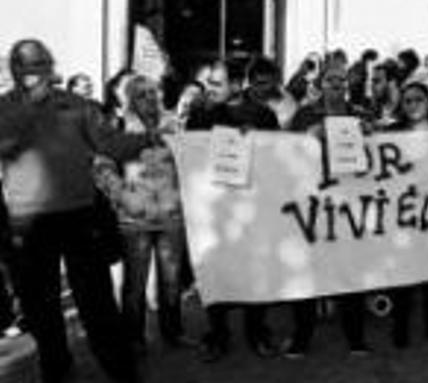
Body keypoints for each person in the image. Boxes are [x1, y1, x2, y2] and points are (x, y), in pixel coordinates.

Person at [0, 39, 153, 383]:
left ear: (51, 67)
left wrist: (151, 139)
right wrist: (30, 107)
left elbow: (110, 144)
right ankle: (55, 366)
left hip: (79, 215)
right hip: (29, 221)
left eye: (42, 65)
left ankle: (120, 369)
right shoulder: (5, 108)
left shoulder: (78, 105)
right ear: (15, 71)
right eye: (27, 68)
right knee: (42, 305)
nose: (36, 74)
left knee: (96, 300)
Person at [186, 59, 279, 362]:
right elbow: (189, 155)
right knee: (215, 269)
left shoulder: (264, 115)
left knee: (255, 271)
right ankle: (218, 333)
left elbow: (279, 157)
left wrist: (259, 142)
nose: (209, 89)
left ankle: (256, 330)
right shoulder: (200, 114)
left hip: (252, 208)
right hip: (214, 209)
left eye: (217, 83)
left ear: (236, 85)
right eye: (208, 83)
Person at [92, 75, 189, 350]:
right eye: (142, 94)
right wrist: (121, 196)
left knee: (171, 283)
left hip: (171, 216)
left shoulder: (174, 124)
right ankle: (133, 338)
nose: (150, 98)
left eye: (153, 92)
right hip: (134, 220)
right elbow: (101, 167)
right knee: (134, 287)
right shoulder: (119, 127)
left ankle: (173, 333)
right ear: (131, 99)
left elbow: (191, 160)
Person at [284, 64, 371, 357]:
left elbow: (376, 158)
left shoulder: (359, 114)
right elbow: (283, 150)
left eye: (341, 80)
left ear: (347, 85)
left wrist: (371, 136)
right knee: (307, 273)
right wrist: (308, 135)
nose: (337, 84)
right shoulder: (305, 114)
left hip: (348, 206)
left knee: (351, 272)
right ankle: (302, 337)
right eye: (330, 80)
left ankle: (356, 338)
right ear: (320, 84)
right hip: (312, 205)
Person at [384, 77, 428, 348]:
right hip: (403, 214)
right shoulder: (393, 131)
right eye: (408, 100)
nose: (413, 105)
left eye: (418, 99)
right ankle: (401, 328)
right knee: (403, 276)